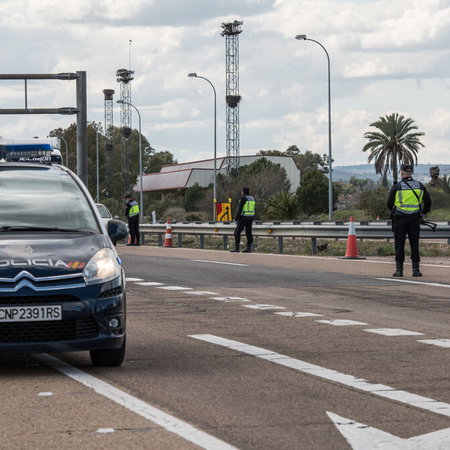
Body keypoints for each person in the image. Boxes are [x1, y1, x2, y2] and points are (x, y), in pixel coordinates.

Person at [386, 164, 431, 277]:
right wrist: (423, 212)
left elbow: (389, 203)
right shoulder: (420, 185)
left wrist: (395, 210)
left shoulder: (397, 186)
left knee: (399, 244)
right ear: (411, 173)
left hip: (400, 219)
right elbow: (428, 201)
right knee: (414, 244)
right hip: (415, 218)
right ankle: (416, 270)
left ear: (401, 172)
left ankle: (399, 270)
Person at [230, 186, 256, 253]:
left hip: (243, 217)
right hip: (250, 217)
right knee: (248, 233)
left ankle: (237, 248)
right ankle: (249, 248)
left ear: (243, 191)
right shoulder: (252, 198)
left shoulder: (243, 198)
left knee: (237, 232)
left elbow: (239, 209)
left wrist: (236, 218)